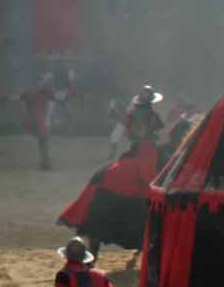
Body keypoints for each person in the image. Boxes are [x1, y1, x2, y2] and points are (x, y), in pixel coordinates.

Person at [57, 86, 164, 256]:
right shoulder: (153, 117)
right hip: (145, 154)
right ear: (151, 103)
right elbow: (156, 133)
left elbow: (122, 132)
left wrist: (115, 146)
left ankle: (94, 250)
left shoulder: (131, 115)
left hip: (133, 152)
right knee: (154, 186)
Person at [22, 70, 73, 170]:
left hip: (40, 120)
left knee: (43, 142)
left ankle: (44, 162)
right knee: (43, 142)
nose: (44, 83)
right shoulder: (39, 92)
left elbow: (59, 98)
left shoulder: (42, 92)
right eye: (43, 81)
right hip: (39, 121)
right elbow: (60, 98)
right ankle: (45, 163)